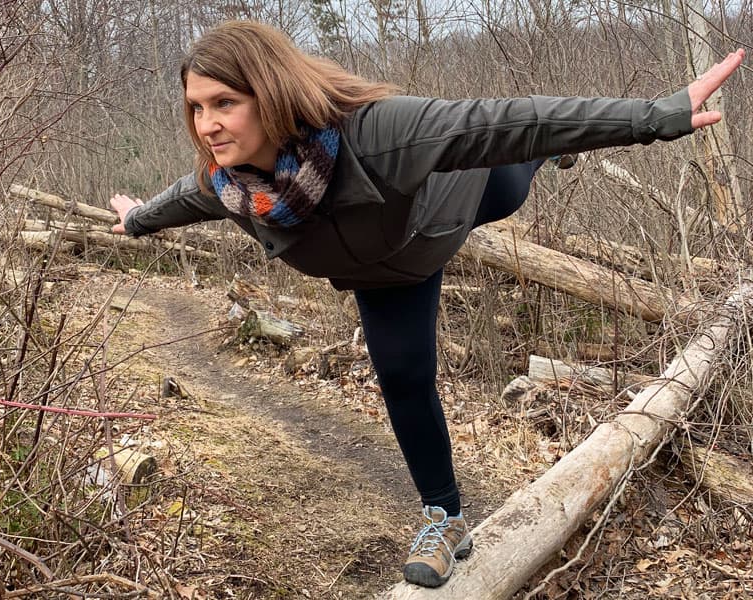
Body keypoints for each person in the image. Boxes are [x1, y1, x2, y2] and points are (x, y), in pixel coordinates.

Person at [110, 20, 744, 588]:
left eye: (225, 102)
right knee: (404, 379)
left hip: (452, 203)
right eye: (196, 107)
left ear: (271, 94)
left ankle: (548, 160)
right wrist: (136, 221)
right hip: (390, 276)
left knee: (512, 172)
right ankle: (444, 519)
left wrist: (656, 115)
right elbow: (173, 200)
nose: (208, 124)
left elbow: (505, 120)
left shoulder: (378, 132)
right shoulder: (226, 188)